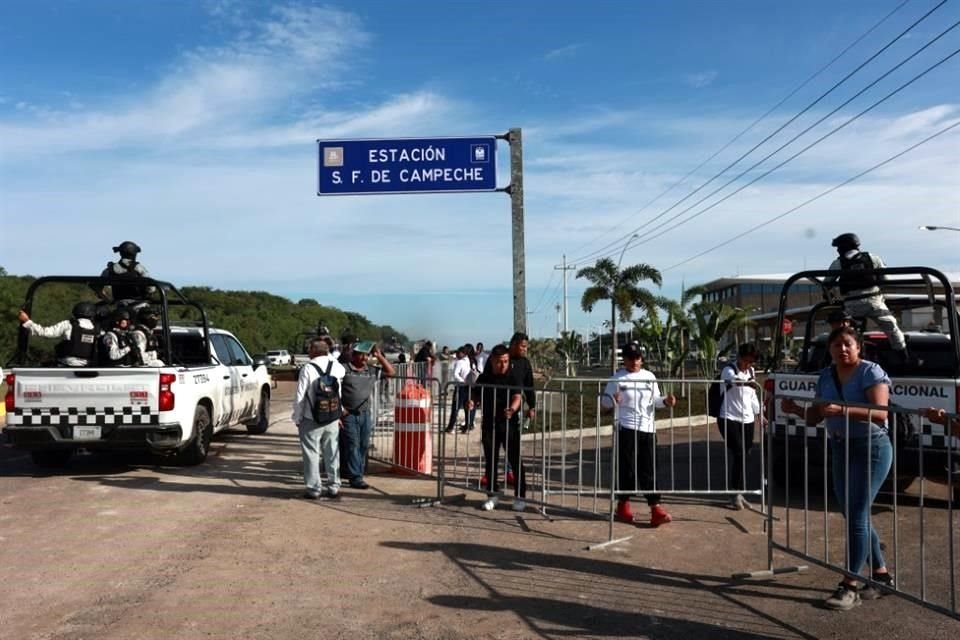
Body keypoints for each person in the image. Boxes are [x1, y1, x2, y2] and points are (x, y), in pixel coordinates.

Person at [781, 326, 894, 610]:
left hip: (872, 448)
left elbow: (881, 414)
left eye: (847, 344)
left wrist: (842, 409)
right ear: (829, 350)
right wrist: (795, 410)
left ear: (858, 348)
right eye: (836, 345)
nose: (842, 349)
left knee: (857, 514)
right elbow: (814, 418)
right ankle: (881, 575)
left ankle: (849, 586)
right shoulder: (826, 376)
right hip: (840, 447)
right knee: (852, 512)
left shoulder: (870, 372)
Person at [601, 342, 678, 527]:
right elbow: (604, 403)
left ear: (641, 359)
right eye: (630, 358)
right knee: (627, 468)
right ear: (624, 360)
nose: (634, 361)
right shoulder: (617, 379)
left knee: (649, 469)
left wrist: (666, 402)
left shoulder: (649, 376)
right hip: (626, 428)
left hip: (648, 429)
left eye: (637, 358)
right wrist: (613, 400)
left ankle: (655, 508)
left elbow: (655, 401)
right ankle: (623, 505)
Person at [824, 233, 906, 357]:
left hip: (852, 304)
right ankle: (904, 356)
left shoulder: (838, 263)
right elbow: (885, 280)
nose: (837, 250)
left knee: (845, 333)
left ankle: (835, 359)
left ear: (844, 247)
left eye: (838, 247)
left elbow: (827, 283)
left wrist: (829, 296)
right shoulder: (873, 258)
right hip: (875, 302)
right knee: (892, 327)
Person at [468, 345, 528, 512]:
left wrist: (513, 409)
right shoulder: (485, 377)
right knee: (491, 461)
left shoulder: (513, 377)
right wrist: (472, 401)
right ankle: (492, 495)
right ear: (492, 362)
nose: (503, 365)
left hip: (509, 425)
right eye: (499, 362)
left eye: (506, 361)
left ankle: (520, 496)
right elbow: (475, 393)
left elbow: (518, 396)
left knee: (515, 460)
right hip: (489, 425)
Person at [292, 337, 346, 499]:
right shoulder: (337, 367)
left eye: (309, 349)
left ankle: (314, 489)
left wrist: (297, 417)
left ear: (314, 351)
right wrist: (339, 414)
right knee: (332, 452)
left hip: (311, 418)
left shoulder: (308, 369)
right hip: (332, 417)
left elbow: (300, 396)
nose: (308, 352)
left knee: (311, 454)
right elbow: (339, 393)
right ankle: (334, 486)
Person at [339, 340, 395, 489]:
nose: (364, 359)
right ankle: (356, 477)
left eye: (367, 356)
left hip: (365, 414)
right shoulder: (343, 370)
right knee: (353, 445)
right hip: (348, 415)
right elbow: (334, 388)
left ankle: (357, 471)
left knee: (363, 445)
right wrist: (339, 409)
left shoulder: (371, 371)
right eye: (361, 356)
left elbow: (391, 372)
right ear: (354, 356)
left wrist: (379, 356)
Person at [716, 343, 761, 509]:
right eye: (746, 361)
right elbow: (733, 381)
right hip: (729, 417)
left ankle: (740, 492)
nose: (748, 365)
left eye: (751, 362)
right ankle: (735, 493)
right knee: (739, 452)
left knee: (744, 455)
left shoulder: (751, 371)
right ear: (740, 357)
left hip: (747, 419)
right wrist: (747, 383)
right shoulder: (729, 370)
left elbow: (752, 396)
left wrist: (759, 414)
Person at [17, 302, 99, 367]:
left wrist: (27, 321)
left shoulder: (68, 324)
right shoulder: (97, 329)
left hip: (66, 364)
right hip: (87, 366)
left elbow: (46, 332)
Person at [445, 347, 470, 433]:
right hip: (467, 386)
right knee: (467, 407)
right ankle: (467, 426)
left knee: (455, 408)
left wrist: (462, 381)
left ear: (463, 353)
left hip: (460, 387)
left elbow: (455, 374)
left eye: (458, 353)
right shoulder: (468, 361)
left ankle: (450, 427)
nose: (457, 355)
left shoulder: (459, 362)